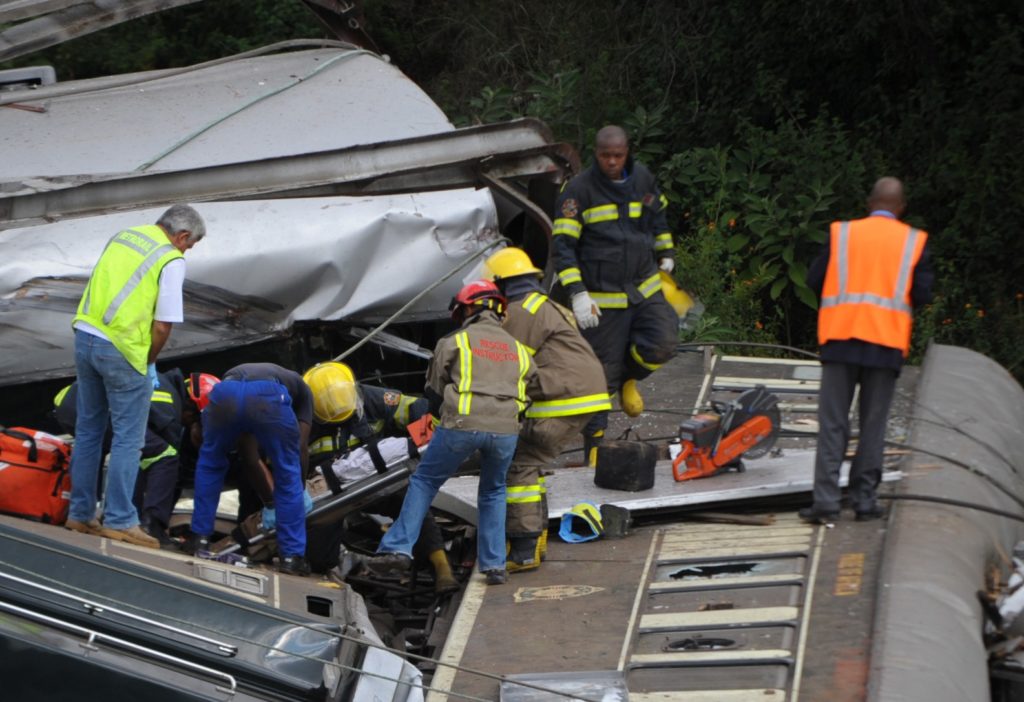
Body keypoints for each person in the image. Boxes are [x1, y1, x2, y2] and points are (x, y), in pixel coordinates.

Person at [366, 280, 538, 586]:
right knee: (494, 490)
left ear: (468, 308)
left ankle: (397, 548)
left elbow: (432, 392)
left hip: (461, 426)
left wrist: (429, 425)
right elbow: (531, 389)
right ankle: (495, 565)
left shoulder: (455, 341)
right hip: (506, 431)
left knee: (424, 480)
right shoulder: (521, 351)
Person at [65, 204, 206, 548]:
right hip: (124, 349)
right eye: (190, 244)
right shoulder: (170, 259)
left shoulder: (124, 236)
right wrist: (148, 361)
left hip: (85, 336)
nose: (187, 250)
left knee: (89, 432)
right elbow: (162, 324)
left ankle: (80, 514)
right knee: (129, 439)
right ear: (182, 235)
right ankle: (119, 520)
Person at [800, 177, 934, 523]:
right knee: (873, 425)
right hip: (885, 346)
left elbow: (814, 280)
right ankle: (863, 501)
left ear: (868, 202)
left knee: (833, 424)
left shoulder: (843, 235)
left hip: (840, 339)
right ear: (901, 207)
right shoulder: (914, 242)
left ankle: (826, 502)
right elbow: (922, 295)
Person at [551, 125, 678, 465]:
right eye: (605, 155)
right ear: (596, 153)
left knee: (664, 343)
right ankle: (594, 453)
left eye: (617, 155)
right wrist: (576, 293)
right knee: (597, 381)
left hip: (645, 288)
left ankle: (629, 379)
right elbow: (563, 248)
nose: (611, 161)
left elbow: (658, 218)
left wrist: (666, 251)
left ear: (626, 152)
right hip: (601, 300)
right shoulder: (578, 191)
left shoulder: (642, 180)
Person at [482, 246, 611, 572]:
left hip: (563, 396)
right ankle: (535, 542)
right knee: (531, 461)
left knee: (518, 464)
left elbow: (508, 366)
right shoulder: (544, 305)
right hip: (580, 394)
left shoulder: (520, 313)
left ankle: (523, 550)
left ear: (500, 283)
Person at [303, 361, 457, 592]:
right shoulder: (301, 421)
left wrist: (420, 443)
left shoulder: (372, 399)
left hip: (377, 479)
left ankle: (443, 570)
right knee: (320, 533)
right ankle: (326, 574)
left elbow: (419, 409)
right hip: (331, 492)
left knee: (413, 504)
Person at [53, 369, 215, 548]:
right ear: (191, 411)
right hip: (99, 410)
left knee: (95, 449)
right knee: (166, 456)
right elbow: (161, 467)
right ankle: (150, 527)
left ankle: (82, 515)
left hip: (68, 405)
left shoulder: (163, 383)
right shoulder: (170, 409)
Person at [189, 362, 314, 575]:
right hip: (267, 394)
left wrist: (269, 501)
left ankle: (198, 539)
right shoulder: (304, 393)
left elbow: (248, 455)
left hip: (225, 390)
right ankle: (291, 558)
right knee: (287, 471)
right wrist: (299, 490)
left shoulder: (267, 373)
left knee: (210, 463)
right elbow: (300, 448)